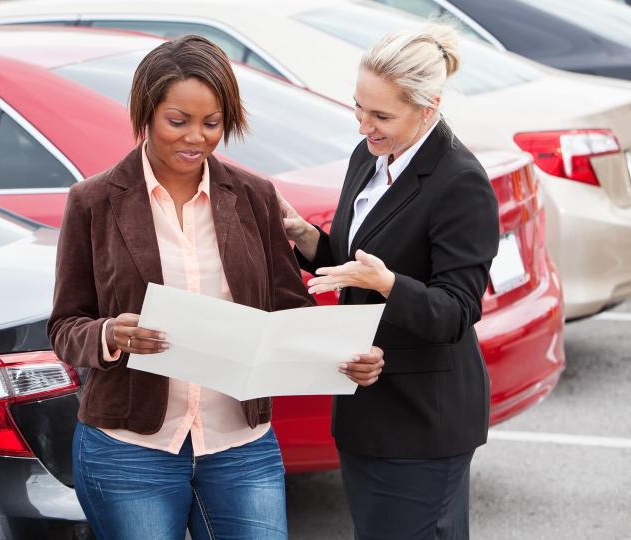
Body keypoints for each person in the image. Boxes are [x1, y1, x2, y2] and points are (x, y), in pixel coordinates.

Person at [48, 35, 384, 540]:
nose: (196, 139)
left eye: (212, 124)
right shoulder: (94, 202)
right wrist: (110, 335)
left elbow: (289, 311)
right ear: (146, 113)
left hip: (240, 445)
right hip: (129, 447)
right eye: (177, 122)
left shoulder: (253, 196)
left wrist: (346, 355)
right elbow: (64, 325)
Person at [278, 24, 500, 539]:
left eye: (380, 115)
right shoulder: (372, 156)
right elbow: (355, 259)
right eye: (358, 107)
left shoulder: (460, 181)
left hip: (423, 420)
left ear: (429, 108)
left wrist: (389, 284)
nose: (364, 126)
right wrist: (306, 238)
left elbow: (457, 311)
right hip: (365, 412)